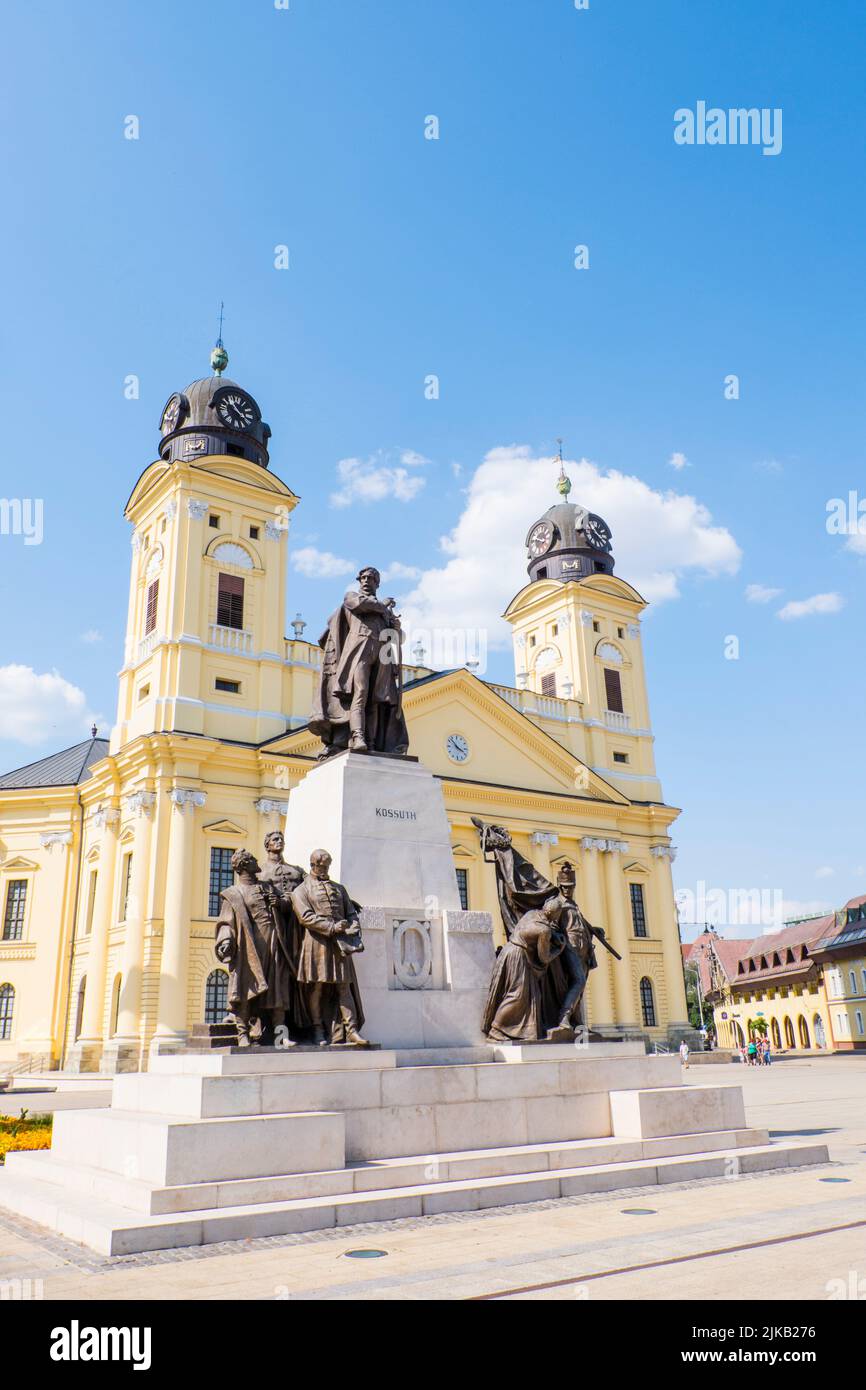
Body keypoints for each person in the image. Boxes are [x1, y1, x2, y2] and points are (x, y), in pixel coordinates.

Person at [309, 566, 409, 757]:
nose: (365, 581)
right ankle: (358, 736)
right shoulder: (352, 597)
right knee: (360, 692)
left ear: (377, 583)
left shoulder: (384, 612)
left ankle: (370, 741)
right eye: (363, 577)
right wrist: (383, 605)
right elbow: (361, 605)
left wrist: (395, 626)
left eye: (370, 578)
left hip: (381, 655)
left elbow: (398, 637)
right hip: (359, 652)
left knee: (375, 699)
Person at [214, 849, 294, 1047]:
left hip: (273, 945)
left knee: (277, 993)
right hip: (248, 949)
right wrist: (225, 941)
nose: (257, 860)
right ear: (243, 865)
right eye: (252, 859)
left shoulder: (266, 888)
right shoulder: (232, 894)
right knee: (243, 991)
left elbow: (287, 902)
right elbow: (226, 923)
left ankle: (279, 1037)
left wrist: (281, 903)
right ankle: (243, 1035)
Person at [291, 849, 369, 1046]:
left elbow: (351, 913)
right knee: (316, 988)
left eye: (327, 866)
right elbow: (305, 917)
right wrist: (332, 927)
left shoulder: (339, 889)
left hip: (339, 945)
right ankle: (317, 1030)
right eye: (322, 866)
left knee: (344, 987)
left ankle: (351, 1030)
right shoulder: (301, 890)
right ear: (313, 865)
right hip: (316, 944)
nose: (325, 870)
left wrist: (353, 926)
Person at [481, 897, 567, 1042]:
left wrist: (553, 935)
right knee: (517, 995)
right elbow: (544, 958)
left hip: (508, 951)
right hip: (518, 956)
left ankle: (524, 1031)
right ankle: (496, 1029)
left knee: (533, 995)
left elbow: (532, 929)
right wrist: (559, 949)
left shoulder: (532, 913)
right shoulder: (544, 930)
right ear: (555, 915)